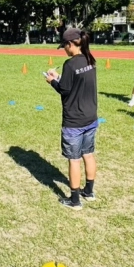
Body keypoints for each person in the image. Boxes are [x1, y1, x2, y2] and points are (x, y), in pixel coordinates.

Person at [45, 28, 98, 208]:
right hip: (91, 118)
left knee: (74, 159)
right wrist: (59, 77)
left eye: (65, 47)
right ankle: (89, 191)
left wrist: (52, 81)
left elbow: (65, 90)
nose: (65, 51)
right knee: (88, 154)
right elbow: (76, 82)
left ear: (70, 44)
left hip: (74, 121)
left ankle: (74, 200)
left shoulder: (70, 64)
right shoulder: (90, 59)